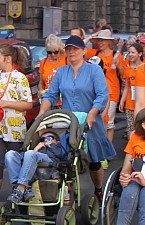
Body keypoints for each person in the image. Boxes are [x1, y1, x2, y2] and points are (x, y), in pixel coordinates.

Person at [39, 35, 116, 197]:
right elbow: (51, 95)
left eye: (75, 49)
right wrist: (41, 114)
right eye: (68, 49)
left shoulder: (93, 70)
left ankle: (98, 189)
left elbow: (102, 95)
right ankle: (68, 195)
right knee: (67, 160)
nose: (72, 52)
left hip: (90, 122)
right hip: (69, 123)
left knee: (94, 162)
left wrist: (93, 112)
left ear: (83, 51)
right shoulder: (61, 72)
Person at [0, 44, 34, 217]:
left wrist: (6, 104)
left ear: (8, 59)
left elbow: (28, 103)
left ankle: (16, 198)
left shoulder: (20, 78)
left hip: (15, 127)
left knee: (14, 163)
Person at [4, 130, 69, 203]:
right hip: (32, 171)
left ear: (57, 141)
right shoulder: (37, 149)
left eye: (50, 138)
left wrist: (50, 145)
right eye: (43, 139)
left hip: (49, 167)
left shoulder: (58, 147)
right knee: (10, 154)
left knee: (31, 153)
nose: (46, 140)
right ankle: (23, 187)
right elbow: (28, 157)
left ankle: (20, 188)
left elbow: (59, 154)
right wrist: (36, 149)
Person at [87, 29, 122, 142]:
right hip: (95, 92)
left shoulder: (115, 56)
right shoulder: (95, 54)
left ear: (109, 42)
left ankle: (108, 149)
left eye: (102, 40)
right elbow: (80, 47)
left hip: (112, 92)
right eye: (99, 40)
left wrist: (119, 65)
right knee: (98, 120)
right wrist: (92, 35)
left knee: (108, 122)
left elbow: (124, 74)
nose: (100, 43)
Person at [118, 41, 145, 138]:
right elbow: (127, 86)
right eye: (129, 52)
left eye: (133, 52)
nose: (130, 55)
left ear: (140, 54)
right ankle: (131, 150)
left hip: (142, 104)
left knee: (142, 128)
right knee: (131, 128)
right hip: (130, 104)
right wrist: (122, 100)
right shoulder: (128, 69)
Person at [39, 34, 68, 107]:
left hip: (64, 103)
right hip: (48, 102)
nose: (52, 55)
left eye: (55, 52)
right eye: (49, 52)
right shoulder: (44, 62)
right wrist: (40, 91)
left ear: (60, 50)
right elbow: (41, 82)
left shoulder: (67, 60)